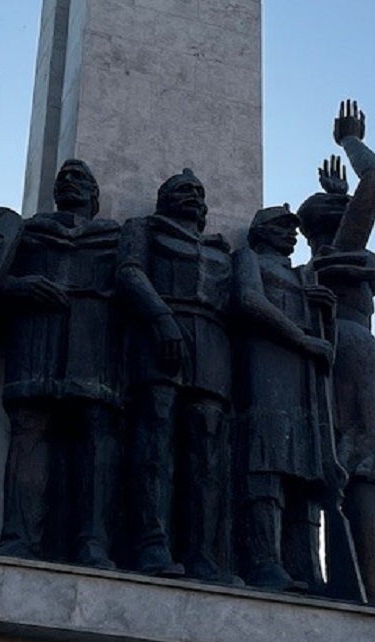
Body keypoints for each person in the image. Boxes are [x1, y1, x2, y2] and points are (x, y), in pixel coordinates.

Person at [0, 159, 123, 569]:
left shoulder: (115, 239)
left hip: (93, 345)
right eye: (64, 178)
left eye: (80, 178)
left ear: (96, 197)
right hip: (36, 339)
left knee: (95, 436)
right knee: (29, 431)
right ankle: (19, 538)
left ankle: (93, 542)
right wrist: (20, 286)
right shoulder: (28, 231)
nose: (70, 182)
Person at [117, 169, 235, 582]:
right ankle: (151, 544)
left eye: (198, 192)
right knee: (155, 436)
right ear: (163, 198)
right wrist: (160, 317)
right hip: (161, 335)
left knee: (207, 449)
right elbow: (130, 272)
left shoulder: (221, 250)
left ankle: (204, 553)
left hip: (213, 346)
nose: (192, 196)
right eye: (182, 190)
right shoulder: (143, 228)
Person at [297, 100, 375, 607]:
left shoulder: (311, 263)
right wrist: (349, 141)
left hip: (316, 352)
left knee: (328, 462)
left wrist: (334, 198)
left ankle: (338, 583)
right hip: (352, 350)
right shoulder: (343, 247)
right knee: (363, 467)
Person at [230, 205, 338, 592]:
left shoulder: (302, 275)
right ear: (259, 231)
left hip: (304, 382)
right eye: (281, 227)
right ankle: (264, 562)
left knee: (307, 471)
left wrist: (324, 309)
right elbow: (249, 301)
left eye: (293, 229)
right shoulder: (248, 259)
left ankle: (306, 566)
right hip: (266, 371)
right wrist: (301, 337)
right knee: (267, 464)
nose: (290, 234)